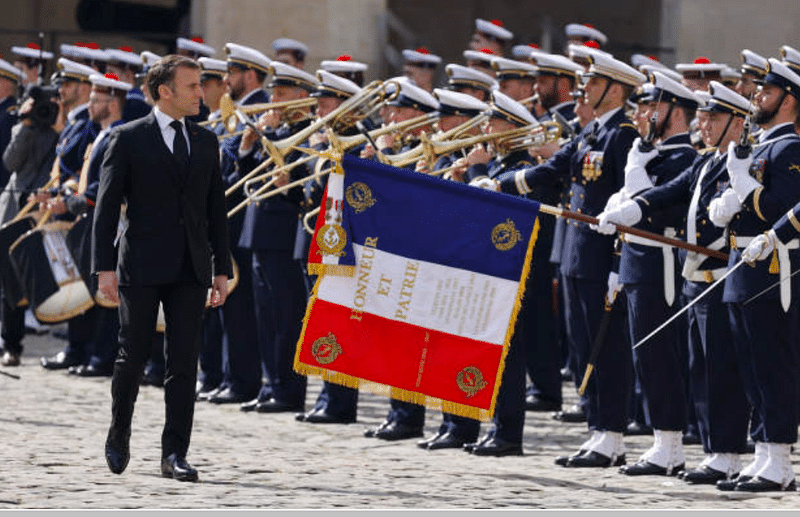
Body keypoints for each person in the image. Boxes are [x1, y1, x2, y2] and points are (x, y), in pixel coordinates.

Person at [488, 49, 645, 468]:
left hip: (601, 259)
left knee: (604, 349)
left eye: (593, 83)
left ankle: (612, 434)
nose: (585, 89)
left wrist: (618, 264)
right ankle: (596, 430)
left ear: (615, 89)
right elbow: (552, 170)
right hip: (576, 256)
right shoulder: (591, 133)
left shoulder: (624, 135)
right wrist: (500, 184)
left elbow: (628, 200)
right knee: (581, 349)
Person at [93, 54, 231, 481]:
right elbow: (106, 205)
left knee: (184, 362)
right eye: (192, 87)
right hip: (142, 263)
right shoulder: (128, 138)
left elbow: (216, 210)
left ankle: (175, 453)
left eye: (200, 85)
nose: (201, 93)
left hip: (191, 266)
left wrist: (221, 269)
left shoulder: (206, 141)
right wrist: (104, 268)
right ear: (164, 91)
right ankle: (119, 432)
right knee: (131, 355)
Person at [595, 71, 701, 476]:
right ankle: (662, 441)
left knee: (661, 357)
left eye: (649, 108)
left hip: (662, 267)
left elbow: (655, 210)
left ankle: (670, 444)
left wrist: (636, 173)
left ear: (673, 110)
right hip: (636, 263)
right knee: (646, 357)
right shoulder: (650, 153)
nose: (641, 116)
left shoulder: (682, 158)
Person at [711, 58, 800, 493]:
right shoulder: (761, 147)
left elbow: (780, 208)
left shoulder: (790, 150)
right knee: (750, 368)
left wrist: (744, 187)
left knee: (772, 367)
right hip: (742, 267)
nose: (757, 98)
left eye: (767, 93)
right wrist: (728, 199)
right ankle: (764, 453)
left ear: (790, 101)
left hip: (773, 269)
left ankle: (780, 459)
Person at [0, 79, 59, 366]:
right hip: (15, 210)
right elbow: (11, 163)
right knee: (9, 280)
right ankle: (12, 344)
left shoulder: (62, 130)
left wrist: (57, 124)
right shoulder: (20, 127)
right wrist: (25, 122)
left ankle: (56, 325)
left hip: (44, 210)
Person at [104, 46, 151, 122]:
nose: (107, 76)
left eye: (111, 72)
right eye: (106, 72)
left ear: (129, 76)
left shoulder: (135, 106)